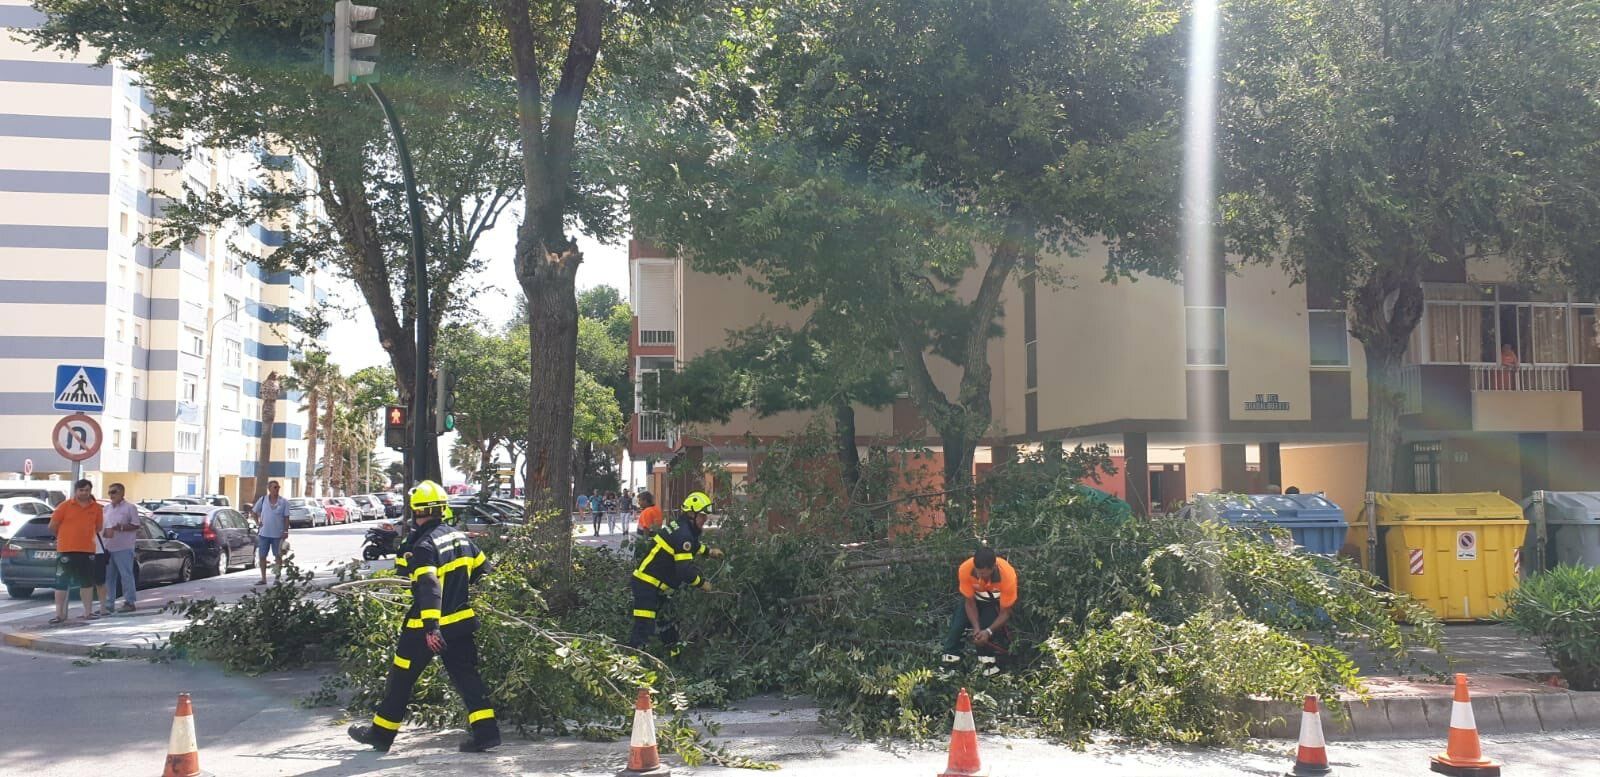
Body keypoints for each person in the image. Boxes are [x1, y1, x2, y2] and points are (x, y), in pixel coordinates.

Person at [349, 480, 499, 753]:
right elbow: (484, 571)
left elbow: (429, 584)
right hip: (461, 623)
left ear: (417, 512)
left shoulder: (424, 546)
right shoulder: (460, 538)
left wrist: (431, 628)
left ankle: (381, 734)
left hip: (424, 630)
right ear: (442, 509)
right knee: (467, 678)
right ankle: (487, 733)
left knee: (401, 678)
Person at [627, 491, 723, 657]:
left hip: (656, 587)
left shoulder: (683, 527)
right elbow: (684, 571)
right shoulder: (684, 534)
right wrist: (702, 583)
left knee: (668, 625)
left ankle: (674, 660)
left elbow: (691, 546)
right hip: (646, 585)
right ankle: (632, 665)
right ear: (691, 514)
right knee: (644, 627)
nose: (705, 519)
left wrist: (709, 552)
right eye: (702, 516)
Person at [941, 546, 1018, 675]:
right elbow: (969, 603)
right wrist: (976, 628)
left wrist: (987, 631)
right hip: (974, 601)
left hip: (993, 604)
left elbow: (1005, 612)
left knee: (985, 633)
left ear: (993, 567)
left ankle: (988, 668)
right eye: (977, 572)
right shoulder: (965, 569)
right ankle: (949, 665)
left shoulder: (1007, 575)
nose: (979, 576)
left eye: (983, 573)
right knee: (956, 627)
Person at [48, 479, 103, 624]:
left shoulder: (96, 508)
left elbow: (98, 527)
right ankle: (59, 614)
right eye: (81, 490)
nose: (84, 493)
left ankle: (88, 612)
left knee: (87, 583)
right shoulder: (65, 506)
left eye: (87, 490)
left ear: (90, 491)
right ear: (76, 491)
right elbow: (53, 525)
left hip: (87, 550)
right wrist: (65, 537)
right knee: (61, 583)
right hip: (66, 550)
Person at [101, 483, 140, 612]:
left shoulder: (130, 508)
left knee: (126, 575)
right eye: (109, 492)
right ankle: (108, 604)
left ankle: (129, 602)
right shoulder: (106, 509)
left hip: (124, 547)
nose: (111, 495)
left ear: (122, 493)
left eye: (114, 492)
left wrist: (121, 527)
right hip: (108, 547)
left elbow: (136, 525)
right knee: (108, 577)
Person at [251, 480, 290, 585]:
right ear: (269, 489)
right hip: (264, 534)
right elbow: (253, 512)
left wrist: (286, 531)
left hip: (278, 534)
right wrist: (258, 522)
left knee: (278, 556)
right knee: (262, 556)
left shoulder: (284, 502)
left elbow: (286, 518)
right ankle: (263, 578)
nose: (277, 489)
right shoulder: (263, 500)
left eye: (278, 487)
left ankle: (277, 578)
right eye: (275, 487)